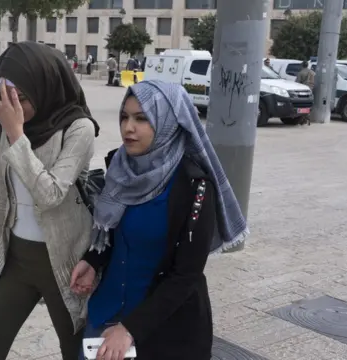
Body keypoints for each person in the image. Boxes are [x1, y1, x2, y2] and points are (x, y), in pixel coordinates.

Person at [70, 80, 249, 360]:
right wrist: (93, 261)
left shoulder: (195, 185)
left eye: (142, 119)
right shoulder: (119, 166)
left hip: (164, 328)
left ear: (168, 121)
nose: (128, 127)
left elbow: (186, 274)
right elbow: (113, 233)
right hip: (106, 314)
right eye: (124, 116)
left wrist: (129, 329)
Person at [0, 41, 100, 360]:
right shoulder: (9, 125)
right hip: (16, 258)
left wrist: (16, 134)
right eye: (2, 98)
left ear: (45, 86)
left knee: (75, 351)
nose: (11, 108)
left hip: (65, 265)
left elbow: (51, 194)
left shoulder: (78, 129)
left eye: (21, 99)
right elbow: (2, 189)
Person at [295, 61, 315, 126]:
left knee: (301, 106)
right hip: (310, 91)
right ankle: (307, 119)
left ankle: (302, 120)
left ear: (302, 65)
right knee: (308, 106)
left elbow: (297, 83)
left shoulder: (301, 73)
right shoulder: (312, 72)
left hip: (302, 91)